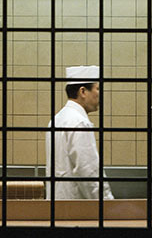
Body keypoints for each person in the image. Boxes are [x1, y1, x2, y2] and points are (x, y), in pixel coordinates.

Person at [45, 65, 114, 200]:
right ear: (83, 91)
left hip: (57, 204)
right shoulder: (79, 122)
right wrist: (107, 204)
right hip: (77, 208)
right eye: (97, 89)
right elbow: (89, 171)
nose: (100, 94)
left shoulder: (57, 119)